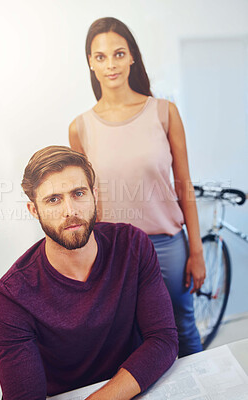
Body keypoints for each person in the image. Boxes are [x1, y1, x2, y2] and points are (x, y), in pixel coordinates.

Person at [0, 145, 178, 400]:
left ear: (94, 195)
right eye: (53, 199)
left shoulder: (133, 245)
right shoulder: (11, 297)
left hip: (135, 387)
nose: (70, 210)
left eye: (78, 193)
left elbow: (163, 339)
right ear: (34, 210)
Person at [68, 17, 206, 358]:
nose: (110, 64)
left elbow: (184, 186)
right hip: (113, 250)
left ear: (132, 57)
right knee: (131, 341)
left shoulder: (164, 113)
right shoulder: (79, 128)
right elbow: (82, 201)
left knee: (181, 329)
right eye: (100, 57)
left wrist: (197, 251)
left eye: (118, 53)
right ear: (90, 62)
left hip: (167, 246)